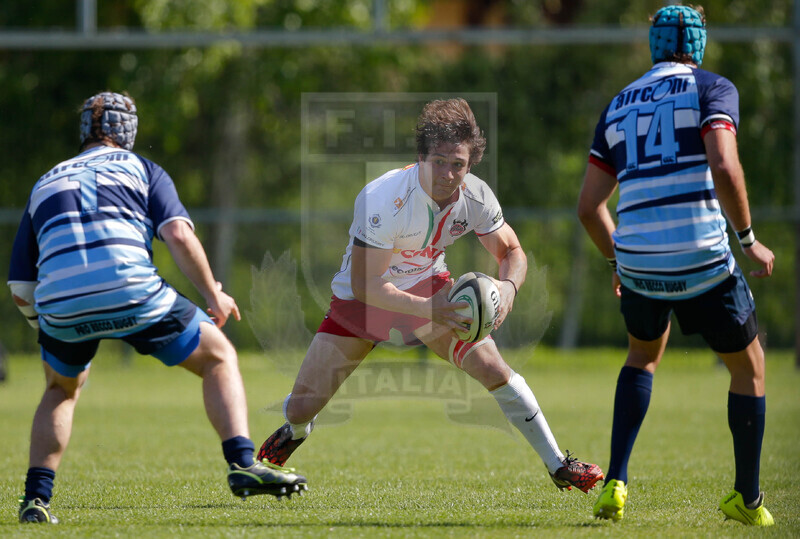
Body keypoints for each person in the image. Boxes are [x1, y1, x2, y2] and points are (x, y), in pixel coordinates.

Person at [256, 98, 604, 495]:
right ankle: (298, 429)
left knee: (492, 367)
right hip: (363, 301)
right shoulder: (383, 198)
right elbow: (365, 284)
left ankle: (558, 463)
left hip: (428, 286)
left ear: (470, 166)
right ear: (420, 157)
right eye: (438, 161)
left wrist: (508, 288)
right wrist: (429, 308)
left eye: (458, 164)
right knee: (302, 407)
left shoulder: (477, 197)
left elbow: (512, 252)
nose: (448, 173)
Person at [8, 92, 307, 524]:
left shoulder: (46, 181)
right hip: (132, 289)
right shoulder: (143, 168)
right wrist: (212, 295)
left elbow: (21, 285)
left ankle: (36, 501)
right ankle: (243, 464)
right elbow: (180, 237)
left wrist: (49, 327)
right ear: (128, 130)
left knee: (59, 391)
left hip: (60, 303)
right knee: (218, 356)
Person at [577, 5, 775, 526]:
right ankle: (747, 500)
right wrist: (749, 239)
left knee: (641, 357)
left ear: (653, 44)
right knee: (749, 368)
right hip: (704, 257)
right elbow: (724, 162)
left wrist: (619, 261)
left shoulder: (618, 104)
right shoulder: (712, 88)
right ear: (700, 43)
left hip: (639, 261)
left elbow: (588, 208)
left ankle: (615, 482)